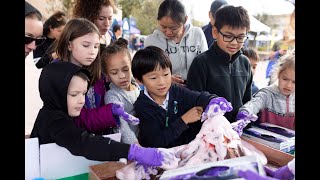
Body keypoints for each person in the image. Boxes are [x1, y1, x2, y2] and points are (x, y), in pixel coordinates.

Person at [30, 61, 179, 168]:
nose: (81, 101)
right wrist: (132, 151)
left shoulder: (58, 112)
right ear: (56, 92)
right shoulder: (53, 120)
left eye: (83, 94)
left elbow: (83, 124)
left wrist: (110, 111)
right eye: (74, 94)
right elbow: (84, 143)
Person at [132, 46, 232, 148]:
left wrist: (213, 101)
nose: (162, 82)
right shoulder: (142, 106)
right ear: (139, 80)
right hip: (163, 158)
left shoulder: (176, 91)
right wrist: (184, 120)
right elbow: (156, 142)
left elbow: (197, 97)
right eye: (153, 77)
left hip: (188, 152)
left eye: (166, 74)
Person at [55, 18, 139, 135]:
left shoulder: (97, 69)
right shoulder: (57, 75)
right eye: (86, 45)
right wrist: (110, 112)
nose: (92, 52)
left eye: (96, 46)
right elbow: (77, 120)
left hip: (101, 137)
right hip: (73, 139)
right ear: (69, 45)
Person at [187, 5, 252, 123]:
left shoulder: (245, 63)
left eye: (241, 37)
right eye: (228, 36)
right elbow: (193, 103)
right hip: (208, 133)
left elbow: (247, 101)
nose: (234, 42)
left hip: (237, 132)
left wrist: (246, 115)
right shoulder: (201, 63)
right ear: (215, 32)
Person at [144, 0, 208, 86]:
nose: (168, 32)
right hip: (165, 90)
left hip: (196, 88)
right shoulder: (151, 41)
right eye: (163, 27)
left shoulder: (197, 34)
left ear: (185, 20)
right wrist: (165, 79)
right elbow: (148, 72)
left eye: (174, 28)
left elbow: (205, 64)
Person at [236, 50, 295, 131]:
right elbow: (253, 104)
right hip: (265, 140)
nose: (288, 85)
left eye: (294, 82)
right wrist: (245, 113)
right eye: (285, 79)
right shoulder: (266, 94)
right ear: (278, 74)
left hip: (289, 142)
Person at [101, 38, 140, 144]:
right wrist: (136, 148)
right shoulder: (112, 96)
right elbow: (122, 125)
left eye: (126, 69)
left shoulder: (137, 87)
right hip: (128, 148)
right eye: (114, 72)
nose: (122, 76)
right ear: (107, 76)